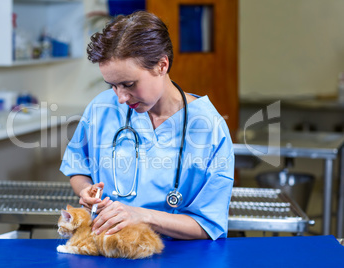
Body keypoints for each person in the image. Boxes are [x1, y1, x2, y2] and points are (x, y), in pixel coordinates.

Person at [60, 11, 234, 240]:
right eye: (112, 85)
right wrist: (85, 189)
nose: (121, 97)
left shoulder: (209, 128)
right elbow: (79, 167)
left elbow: (209, 225)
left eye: (128, 84)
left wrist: (141, 216)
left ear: (162, 65)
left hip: (179, 255)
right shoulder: (102, 108)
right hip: (109, 249)